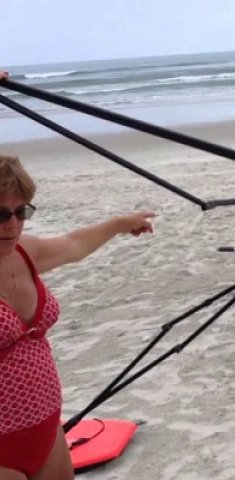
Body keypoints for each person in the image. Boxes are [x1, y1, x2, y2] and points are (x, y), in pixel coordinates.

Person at [0, 154, 155, 480]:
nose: (12, 224)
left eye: (20, 212)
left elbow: (72, 245)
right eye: (0, 214)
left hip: (46, 428)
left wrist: (118, 225)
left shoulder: (25, 252)